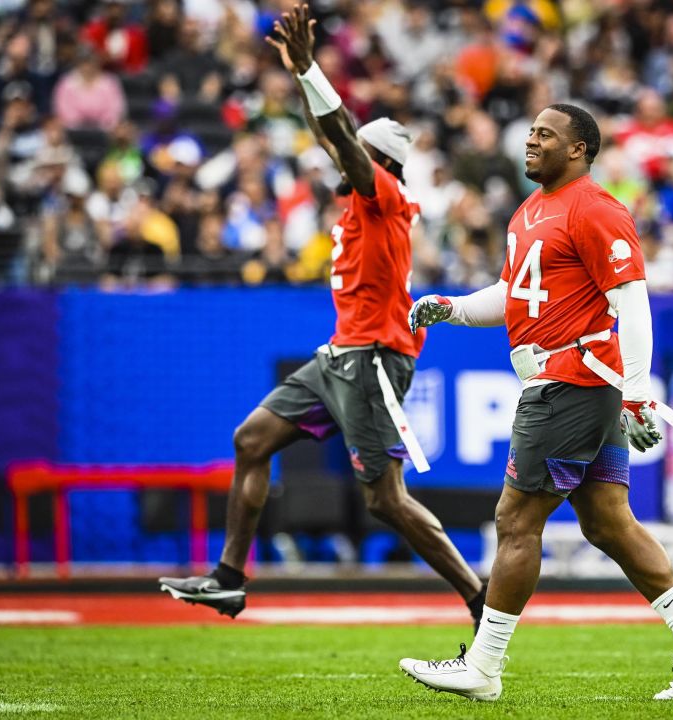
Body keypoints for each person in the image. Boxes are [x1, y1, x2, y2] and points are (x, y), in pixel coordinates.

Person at [160, 5, 486, 632]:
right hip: (341, 354)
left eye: (355, 153)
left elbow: (339, 135)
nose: (341, 158)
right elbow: (330, 131)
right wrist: (302, 77)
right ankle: (229, 580)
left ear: (378, 162)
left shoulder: (384, 195)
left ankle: (478, 597)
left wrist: (311, 68)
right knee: (251, 441)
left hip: (373, 361)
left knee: (385, 500)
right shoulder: (369, 202)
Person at [401, 102, 673, 702]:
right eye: (530, 131)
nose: (530, 141)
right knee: (607, 520)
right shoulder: (530, 209)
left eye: (545, 135)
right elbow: (513, 294)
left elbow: (632, 303)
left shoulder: (596, 208)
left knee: (515, 519)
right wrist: (452, 307)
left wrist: (637, 394)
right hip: (568, 378)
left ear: (578, 148)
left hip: (571, 379)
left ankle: (484, 663)